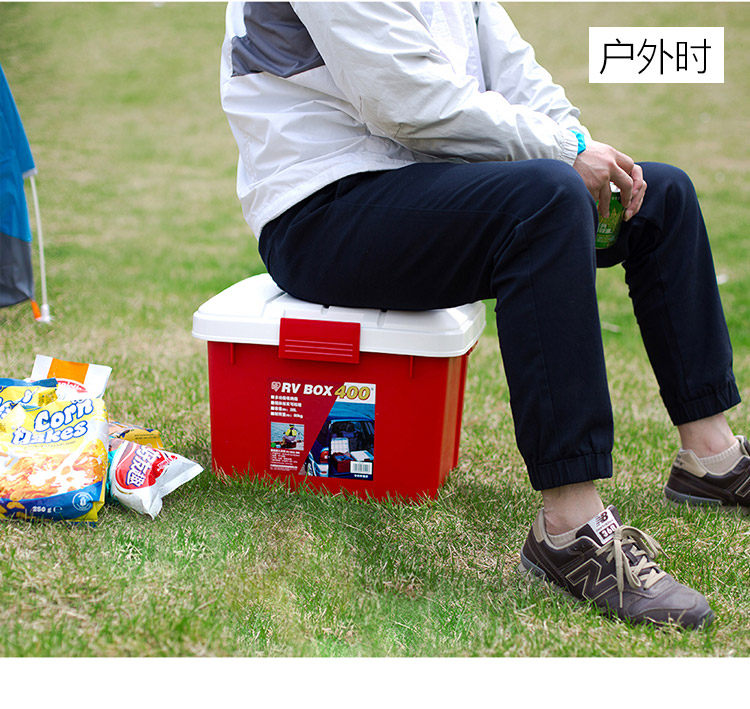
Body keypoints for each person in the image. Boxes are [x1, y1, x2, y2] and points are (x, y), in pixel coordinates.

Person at [220, 1, 747, 629]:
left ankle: (712, 462)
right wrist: (565, 151)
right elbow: (407, 102)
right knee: (546, 201)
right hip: (320, 210)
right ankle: (570, 530)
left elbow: (514, 71)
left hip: (428, 184)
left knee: (661, 196)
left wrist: (580, 147)